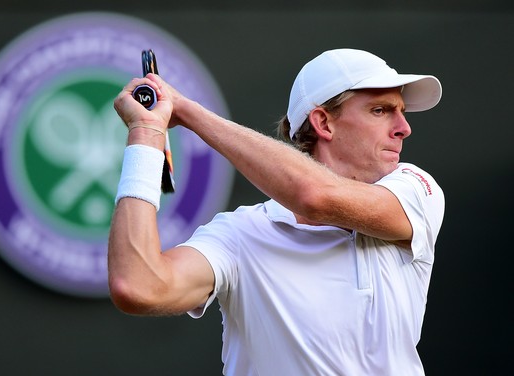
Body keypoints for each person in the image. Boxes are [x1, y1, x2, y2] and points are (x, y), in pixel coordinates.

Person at [109, 48, 445, 375]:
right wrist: (146, 134)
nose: (404, 127)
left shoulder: (416, 189)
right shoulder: (239, 234)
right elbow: (139, 287)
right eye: (381, 110)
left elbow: (315, 196)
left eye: (401, 111)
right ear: (324, 124)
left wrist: (187, 111)